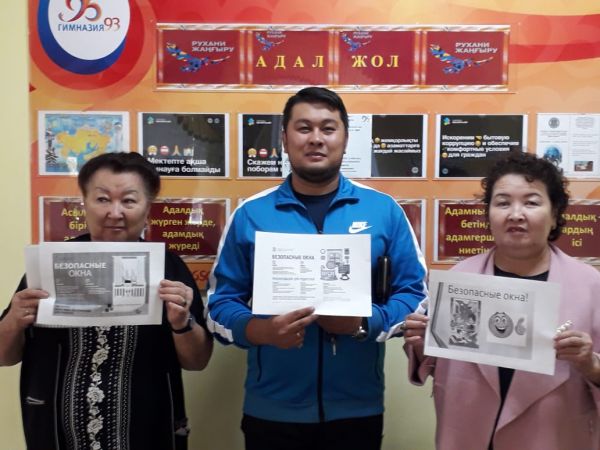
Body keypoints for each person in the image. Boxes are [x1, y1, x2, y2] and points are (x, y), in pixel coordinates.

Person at [206, 87, 427, 450]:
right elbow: (219, 306)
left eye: (328, 128)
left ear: (345, 138)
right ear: (284, 138)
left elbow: (415, 298)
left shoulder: (383, 211)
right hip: (272, 410)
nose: (316, 139)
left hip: (357, 410)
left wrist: (362, 324)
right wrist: (262, 331)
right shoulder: (251, 214)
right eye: (304, 128)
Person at [0, 152, 213, 450]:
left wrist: (182, 323)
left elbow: (197, 361)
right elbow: (4, 356)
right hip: (57, 431)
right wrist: (14, 320)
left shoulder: (168, 268)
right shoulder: (51, 264)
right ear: (84, 203)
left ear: (147, 207)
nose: (115, 212)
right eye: (102, 199)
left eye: (128, 200)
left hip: (148, 429)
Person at [404, 151, 600, 450]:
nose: (516, 214)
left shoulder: (590, 285)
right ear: (488, 214)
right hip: (470, 436)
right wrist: (420, 341)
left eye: (531, 202)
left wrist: (590, 363)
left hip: (553, 437)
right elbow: (435, 365)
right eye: (503, 202)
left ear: (555, 214)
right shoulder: (460, 278)